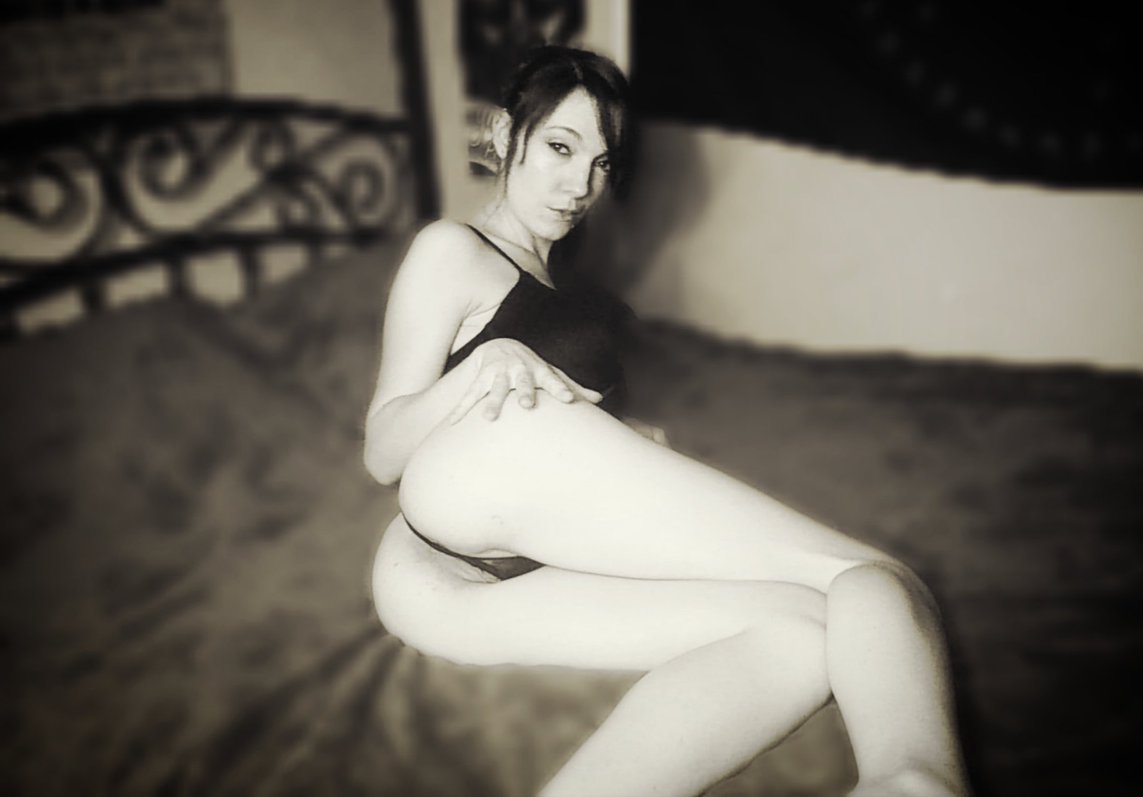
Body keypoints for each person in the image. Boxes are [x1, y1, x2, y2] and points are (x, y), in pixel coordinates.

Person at [365, 45, 973, 797]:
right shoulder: (452, 249)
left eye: (600, 162)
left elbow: (570, 453)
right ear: (501, 133)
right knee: (867, 576)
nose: (580, 185)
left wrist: (624, 437)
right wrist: (482, 369)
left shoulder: (571, 287)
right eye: (560, 147)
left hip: (466, 590)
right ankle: (915, 780)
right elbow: (382, 451)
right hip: (442, 521)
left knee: (808, 633)